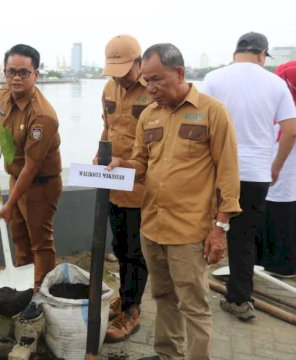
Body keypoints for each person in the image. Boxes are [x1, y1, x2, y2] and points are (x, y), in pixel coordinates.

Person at [107, 43, 241, 360]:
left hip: (191, 231)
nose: (150, 88)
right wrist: (118, 164)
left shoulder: (212, 112)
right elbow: (141, 165)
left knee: (193, 305)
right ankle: (167, 354)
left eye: (157, 80)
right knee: (163, 296)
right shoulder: (149, 117)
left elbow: (229, 175)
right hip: (152, 226)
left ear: (179, 73)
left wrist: (220, 228)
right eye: (147, 81)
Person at [201, 32, 296, 321]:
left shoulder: (213, 79)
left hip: (216, 171)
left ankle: (193, 295)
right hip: (256, 173)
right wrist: (276, 165)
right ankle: (240, 299)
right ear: (262, 54)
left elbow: (198, 125)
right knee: (244, 238)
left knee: (203, 230)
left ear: (235, 53)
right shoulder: (276, 83)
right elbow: (291, 130)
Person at [0, 44, 62, 322]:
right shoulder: (4, 94)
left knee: (40, 242)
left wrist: (9, 204)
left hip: (40, 185)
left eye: (24, 72)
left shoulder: (42, 116)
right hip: (16, 178)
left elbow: (32, 167)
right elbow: (5, 126)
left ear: (36, 74)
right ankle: (24, 284)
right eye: (11, 72)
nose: (16, 78)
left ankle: (41, 295)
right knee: (19, 237)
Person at [96, 34, 152, 343]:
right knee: (118, 246)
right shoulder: (108, 88)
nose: (120, 76)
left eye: (126, 69)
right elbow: (107, 126)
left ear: (140, 63)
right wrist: (100, 154)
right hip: (111, 181)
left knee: (134, 250)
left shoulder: (152, 90)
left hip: (140, 184)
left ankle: (133, 309)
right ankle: (125, 296)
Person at [262, 61, 296, 278]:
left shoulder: (287, 111)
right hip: (286, 175)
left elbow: (288, 135)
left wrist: (275, 166)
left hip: (283, 172)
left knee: (280, 212)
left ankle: (281, 265)